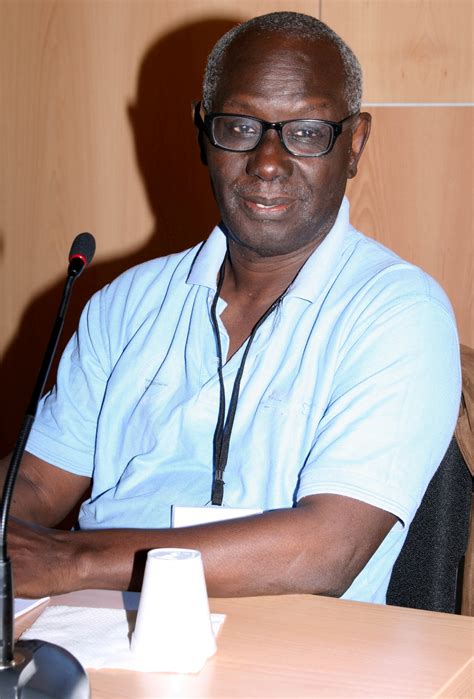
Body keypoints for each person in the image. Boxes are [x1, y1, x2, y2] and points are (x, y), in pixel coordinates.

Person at [2, 11, 460, 603]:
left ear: (355, 143)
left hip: (289, 646)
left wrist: (73, 559)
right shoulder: (125, 303)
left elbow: (325, 552)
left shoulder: (399, 314)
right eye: (241, 127)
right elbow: (37, 481)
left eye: (307, 131)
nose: (267, 162)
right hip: (91, 628)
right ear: (203, 131)